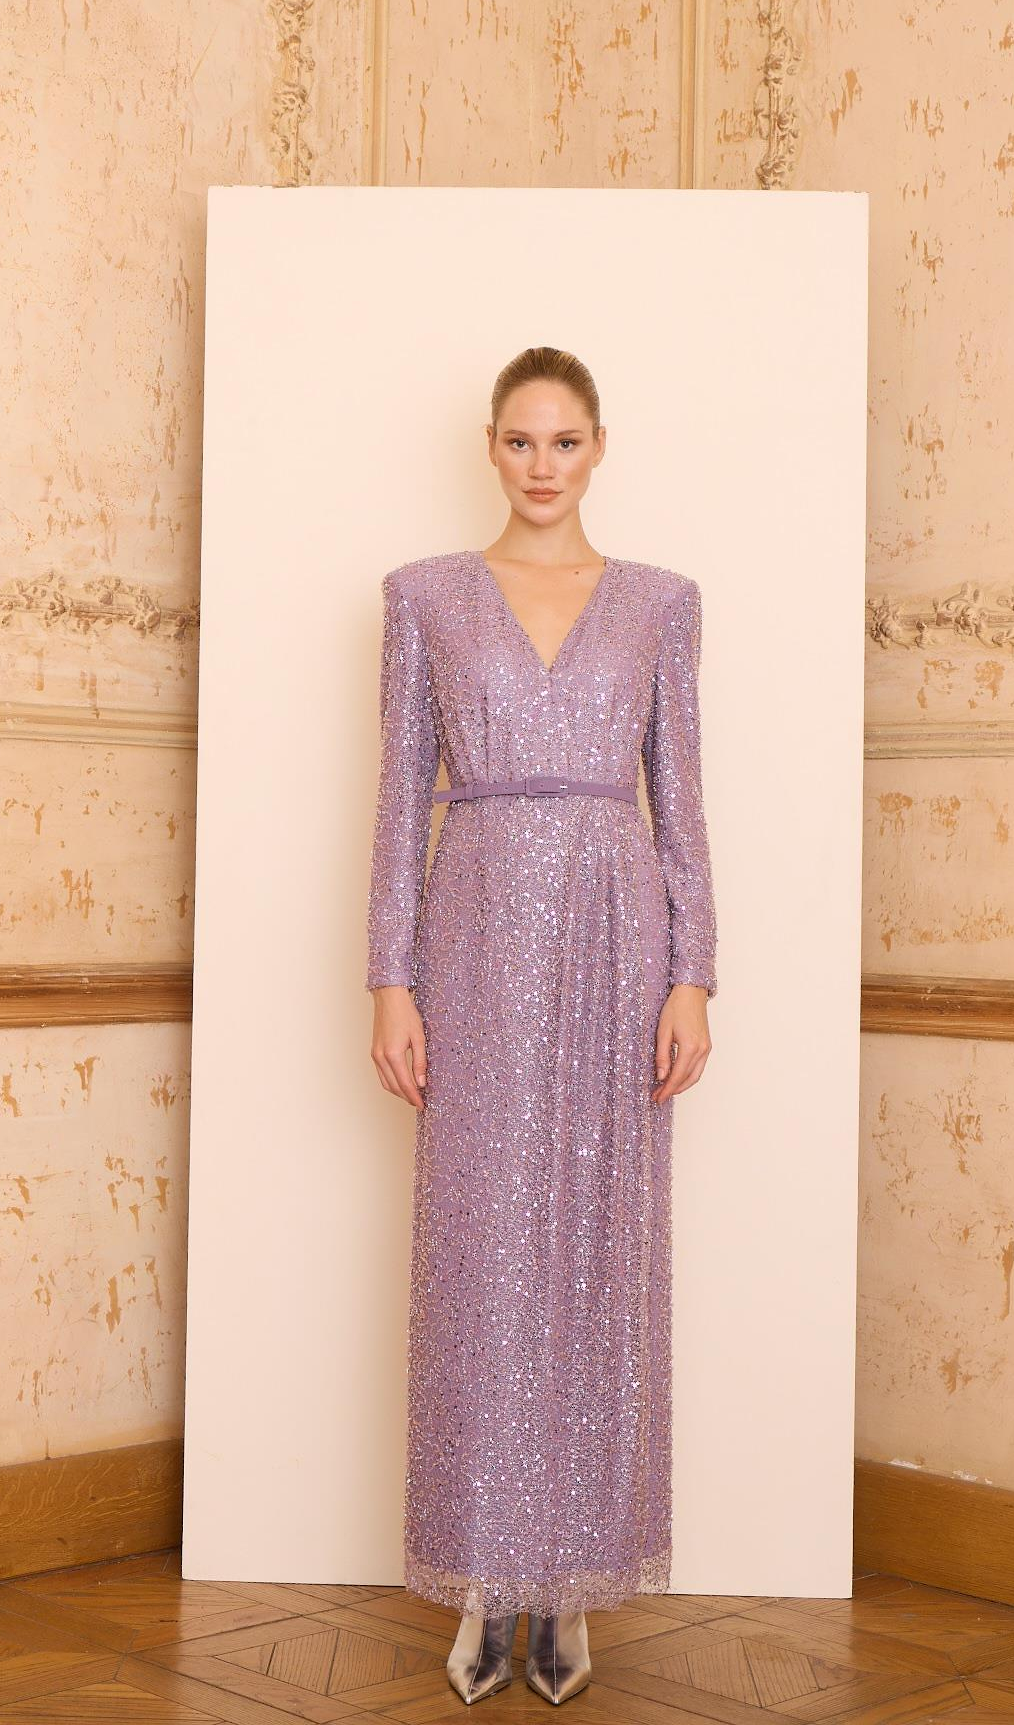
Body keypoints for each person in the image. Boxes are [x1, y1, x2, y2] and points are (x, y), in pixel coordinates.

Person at [365, 345, 718, 1707]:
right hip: (470, 935)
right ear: (491, 447)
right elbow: (399, 797)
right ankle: (481, 1580)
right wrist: (390, 979)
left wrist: (693, 974)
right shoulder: (424, 598)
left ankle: (570, 1581)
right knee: (478, 1259)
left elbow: (680, 797)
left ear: (599, 447)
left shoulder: (660, 604)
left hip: (619, 944)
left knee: (593, 1253)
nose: (541, 465)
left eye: (564, 441)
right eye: (520, 440)